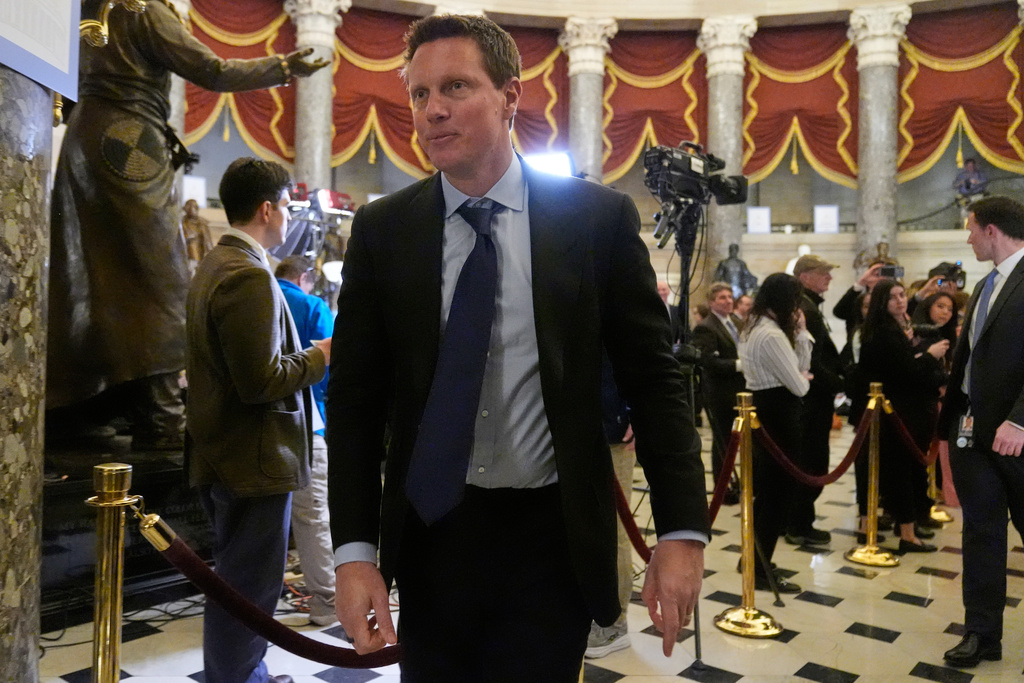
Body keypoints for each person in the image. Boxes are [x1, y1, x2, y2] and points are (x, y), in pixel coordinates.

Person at [325, 15, 709, 681]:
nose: (432, 109)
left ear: (510, 95)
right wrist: (354, 550)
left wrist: (679, 532)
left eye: (455, 86)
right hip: (431, 533)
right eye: (418, 94)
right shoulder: (385, 231)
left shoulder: (595, 221)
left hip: (550, 537)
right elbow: (355, 403)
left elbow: (655, 381)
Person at [47, 0, 327, 450]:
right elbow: (211, 69)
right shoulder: (138, 8)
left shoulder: (89, 10)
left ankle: (88, 406)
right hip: (128, 141)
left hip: (88, 143)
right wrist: (281, 65)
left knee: (93, 279)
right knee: (158, 278)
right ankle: (161, 415)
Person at [186, 158, 330, 683]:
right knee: (249, 586)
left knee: (238, 582)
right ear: (268, 209)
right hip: (253, 460)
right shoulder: (247, 275)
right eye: (288, 207)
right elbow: (260, 382)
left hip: (230, 453)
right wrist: (323, 354)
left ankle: (246, 673)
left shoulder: (217, 265)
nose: (290, 218)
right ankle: (241, 678)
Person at [938, 196, 1024, 669]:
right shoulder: (986, 283)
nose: (968, 237)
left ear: (991, 229)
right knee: (981, 535)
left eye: (971, 228)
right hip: (974, 435)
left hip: (1018, 436)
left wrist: (1020, 420)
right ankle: (981, 634)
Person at [858, 279, 948, 553]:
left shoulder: (896, 328)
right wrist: (929, 355)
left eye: (902, 295)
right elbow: (904, 372)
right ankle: (906, 533)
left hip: (905, 409)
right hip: (895, 411)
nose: (900, 300)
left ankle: (906, 527)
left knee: (908, 471)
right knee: (900, 473)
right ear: (882, 303)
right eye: (893, 297)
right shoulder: (884, 331)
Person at [738, 273, 812, 593]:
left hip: (766, 408)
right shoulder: (769, 334)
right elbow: (799, 384)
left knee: (769, 492)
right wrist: (804, 376)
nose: (798, 307)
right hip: (778, 413)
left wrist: (802, 333)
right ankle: (760, 564)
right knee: (776, 494)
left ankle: (756, 557)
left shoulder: (755, 326)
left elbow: (798, 365)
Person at [274, 256, 338, 627]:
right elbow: (332, 362)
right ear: (305, 278)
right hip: (305, 423)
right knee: (313, 514)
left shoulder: (263, 293)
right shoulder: (310, 305)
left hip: (258, 429)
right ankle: (326, 602)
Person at [789, 254, 845, 546]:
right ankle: (799, 524)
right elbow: (811, 359)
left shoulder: (811, 305)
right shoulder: (804, 308)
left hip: (816, 398)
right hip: (810, 401)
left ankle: (799, 520)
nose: (829, 278)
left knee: (813, 461)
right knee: (810, 463)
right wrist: (837, 383)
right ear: (804, 277)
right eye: (823, 273)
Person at [585, 356, 637, 659]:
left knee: (615, 528)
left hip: (612, 427)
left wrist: (636, 412)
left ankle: (614, 622)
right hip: (565, 424)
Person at [693, 282, 745, 505]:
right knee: (723, 441)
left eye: (730, 296)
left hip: (740, 390)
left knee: (738, 441)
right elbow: (708, 362)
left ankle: (738, 482)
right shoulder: (706, 327)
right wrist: (740, 365)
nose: (728, 300)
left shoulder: (735, 321)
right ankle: (722, 488)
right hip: (720, 392)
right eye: (722, 297)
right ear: (712, 302)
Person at [183, 198, 214, 275]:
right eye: (187, 206)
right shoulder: (181, 222)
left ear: (197, 208)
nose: (189, 209)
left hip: (199, 257)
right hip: (185, 257)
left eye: (192, 206)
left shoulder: (202, 223)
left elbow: (208, 242)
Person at [657, 280, 682, 345]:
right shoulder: (650, 311)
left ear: (668, 291)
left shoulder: (676, 311)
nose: (661, 292)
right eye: (658, 290)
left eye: (663, 289)